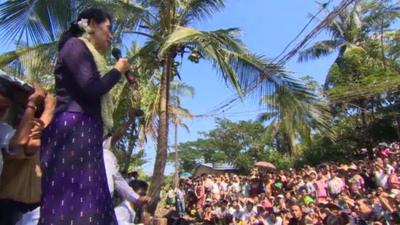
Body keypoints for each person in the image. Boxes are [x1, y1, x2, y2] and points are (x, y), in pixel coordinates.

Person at [39, 8, 131, 225]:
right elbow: (91, 89)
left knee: (90, 200)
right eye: (108, 29)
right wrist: (118, 70)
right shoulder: (75, 46)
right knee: (72, 200)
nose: (111, 36)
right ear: (91, 24)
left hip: (86, 130)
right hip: (73, 128)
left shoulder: (90, 54)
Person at [0, 82, 55, 225]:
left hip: (30, 208)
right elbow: (24, 143)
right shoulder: (9, 136)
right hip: (10, 206)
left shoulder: (5, 130)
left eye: (4, 108)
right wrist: (47, 107)